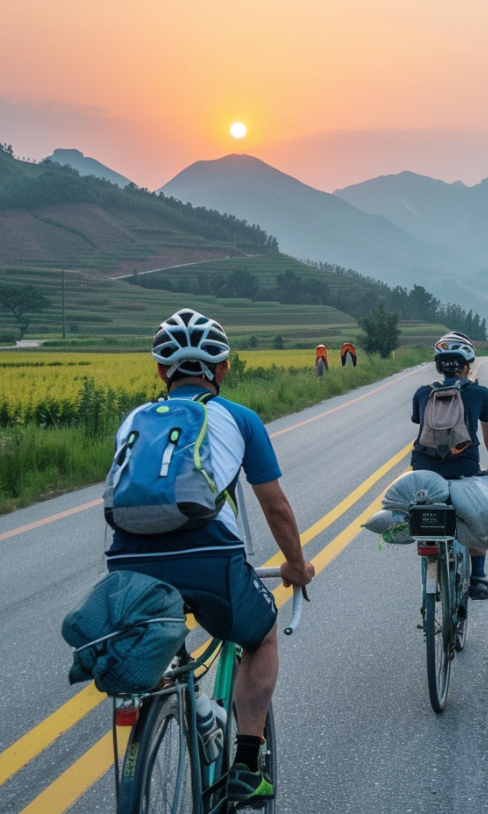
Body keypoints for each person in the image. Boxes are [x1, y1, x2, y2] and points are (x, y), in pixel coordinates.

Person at [105, 309, 315, 803]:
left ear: (161, 372)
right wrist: (296, 565)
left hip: (127, 564)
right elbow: (275, 507)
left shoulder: (132, 420)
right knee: (260, 637)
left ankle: (176, 706)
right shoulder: (239, 418)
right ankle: (246, 765)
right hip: (209, 559)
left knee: (162, 645)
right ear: (222, 370)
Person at [411, 331, 488, 599]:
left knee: (427, 515)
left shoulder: (423, 394)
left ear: (439, 365)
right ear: (467, 365)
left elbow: (420, 426)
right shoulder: (479, 393)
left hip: (423, 469)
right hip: (464, 467)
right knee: (478, 517)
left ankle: (430, 556)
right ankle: (477, 577)